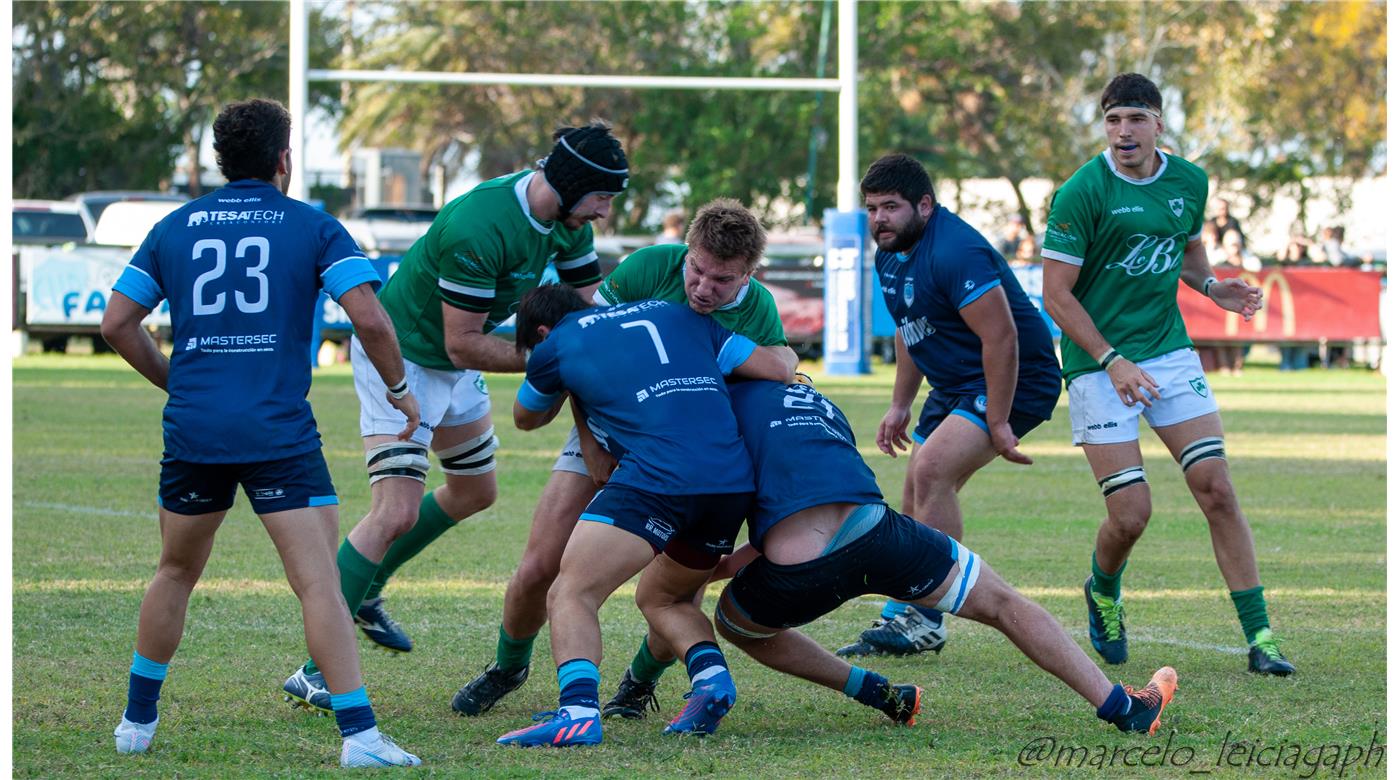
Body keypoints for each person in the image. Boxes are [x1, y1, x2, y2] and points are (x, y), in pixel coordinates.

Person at [100, 98, 422, 767]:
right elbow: (369, 317)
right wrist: (398, 389)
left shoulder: (175, 226)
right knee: (318, 585)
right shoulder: (311, 225)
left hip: (196, 430)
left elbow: (115, 324)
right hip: (278, 432)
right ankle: (361, 738)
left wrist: (177, 382)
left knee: (175, 572)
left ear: (222, 159)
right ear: (284, 160)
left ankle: (136, 724)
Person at [281, 122, 629, 708]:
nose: (604, 211)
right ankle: (315, 667)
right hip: (404, 359)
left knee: (474, 490)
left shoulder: (565, 225)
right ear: (571, 187)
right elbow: (462, 343)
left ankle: (365, 591)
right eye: (601, 197)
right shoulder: (480, 223)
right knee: (394, 511)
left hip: (454, 359)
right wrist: (557, 360)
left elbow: (593, 307)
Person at [451, 199, 795, 719]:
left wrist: (789, 363)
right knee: (542, 565)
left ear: (750, 273)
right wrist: (590, 442)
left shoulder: (759, 308)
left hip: (686, 450)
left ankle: (638, 685)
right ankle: (508, 666)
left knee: (679, 587)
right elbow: (589, 355)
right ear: (687, 251)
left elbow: (777, 368)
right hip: (605, 428)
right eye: (696, 270)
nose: (702, 288)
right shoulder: (649, 266)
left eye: (721, 281)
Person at [712, 380, 1178, 735]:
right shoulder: (815, 399)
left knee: (733, 623)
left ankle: (873, 690)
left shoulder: (719, 410)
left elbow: (732, 512)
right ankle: (1124, 708)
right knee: (1003, 604)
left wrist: (722, 566)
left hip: (800, 564)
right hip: (879, 531)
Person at [1039, 73, 1295, 676]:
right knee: (1132, 515)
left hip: (1167, 351)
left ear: (1158, 123)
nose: (1123, 131)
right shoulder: (1082, 191)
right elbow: (1056, 294)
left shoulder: (1189, 181)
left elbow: (1186, 247)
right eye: (1112, 121)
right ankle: (1103, 590)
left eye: (1134, 118)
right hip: (1095, 363)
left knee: (1217, 488)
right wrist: (1110, 360)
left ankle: (1261, 639)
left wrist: (1210, 287)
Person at [494, 285, 793, 747]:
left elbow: (526, 417)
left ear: (541, 331)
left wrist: (565, 381)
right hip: (730, 482)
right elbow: (777, 368)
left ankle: (576, 713)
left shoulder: (554, 345)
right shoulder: (682, 316)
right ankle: (711, 679)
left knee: (572, 591)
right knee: (668, 599)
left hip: (657, 477)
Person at [834, 153, 1061, 659]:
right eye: (871, 208)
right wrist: (899, 404)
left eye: (890, 207)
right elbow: (909, 329)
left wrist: (999, 421)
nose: (879, 220)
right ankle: (905, 609)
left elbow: (1002, 339)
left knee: (933, 471)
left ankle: (928, 619)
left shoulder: (956, 250)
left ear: (925, 205)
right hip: (955, 382)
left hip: (1018, 377)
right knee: (917, 483)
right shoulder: (889, 251)